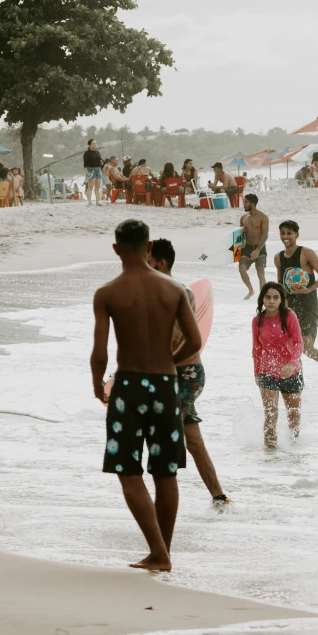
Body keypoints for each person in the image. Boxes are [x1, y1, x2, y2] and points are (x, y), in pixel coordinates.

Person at [91, 220, 201, 572]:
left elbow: (101, 351)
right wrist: (171, 361)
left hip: (129, 386)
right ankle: (162, 551)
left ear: (116, 249)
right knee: (165, 472)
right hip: (166, 386)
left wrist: (97, 382)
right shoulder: (173, 290)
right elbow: (195, 341)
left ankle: (159, 553)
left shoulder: (108, 293)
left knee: (128, 469)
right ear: (149, 246)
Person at [148, 238, 230, 510]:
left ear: (161, 263)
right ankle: (220, 498)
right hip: (166, 377)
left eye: (147, 263)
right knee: (193, 441)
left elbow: (188, 340)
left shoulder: (180, 294)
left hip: (187, 375)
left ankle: (162, 503)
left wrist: (167, 362)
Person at [275, 220, 318, 385]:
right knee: (290, 348)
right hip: (289, 308)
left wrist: (308, 289)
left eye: (289, 233)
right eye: (283, 233)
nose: (285, 237)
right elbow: (280, 286)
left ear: (297, 235)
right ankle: (299, 382)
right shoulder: (278, 258)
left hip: (309, 305)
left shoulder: (306, 253)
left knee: (307, 347)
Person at [253, 282, 304, 449]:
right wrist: (256, 373)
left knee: (293, 415)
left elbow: (298, 343)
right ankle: (270, 454)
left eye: (276, 297)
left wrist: (291, 363)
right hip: (267, 372)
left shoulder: (289, 316)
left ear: (282, 300)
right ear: (262, 299)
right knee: (270, 415)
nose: (271, 301)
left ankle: (294, 450)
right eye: (267, 297)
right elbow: (256, 348)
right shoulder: (257, 321)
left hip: (291, 371)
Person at [239, 194, 269, 300]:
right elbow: (240, 235)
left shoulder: (263, 217)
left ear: (252, 203)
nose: (244, 204)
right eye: (244, 202)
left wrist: (257, 250)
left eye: (246, 202)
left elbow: (265, 235)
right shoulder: (243, 218)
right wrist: (236, 251)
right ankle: (250, 290)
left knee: (260, 272)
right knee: (242, 269)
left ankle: (263, 297)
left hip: (259, 247)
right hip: (246, 248)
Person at [83, 138, 104, 206]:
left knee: (97, 186)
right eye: (93, 144)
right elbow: (85, 164)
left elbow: (100, 160)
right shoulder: (87, 153)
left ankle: (97, 201)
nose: (95, 145)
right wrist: (86, 172)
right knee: (90, 186)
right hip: (90, 169)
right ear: (89, 145)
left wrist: (101, 163)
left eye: (95, 143)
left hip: (98, 169)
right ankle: (89, 201)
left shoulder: (97, 152)